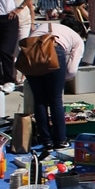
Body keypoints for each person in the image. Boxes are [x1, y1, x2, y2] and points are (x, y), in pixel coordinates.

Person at [27, 17, 87, 156]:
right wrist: (60, 78)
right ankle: (60, 141)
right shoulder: (77, 38)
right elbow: (71, 70)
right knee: (55, 100)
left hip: (30, 54)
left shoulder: (45, 26)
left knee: (40, 100)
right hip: (54, 50)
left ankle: (46, 142)